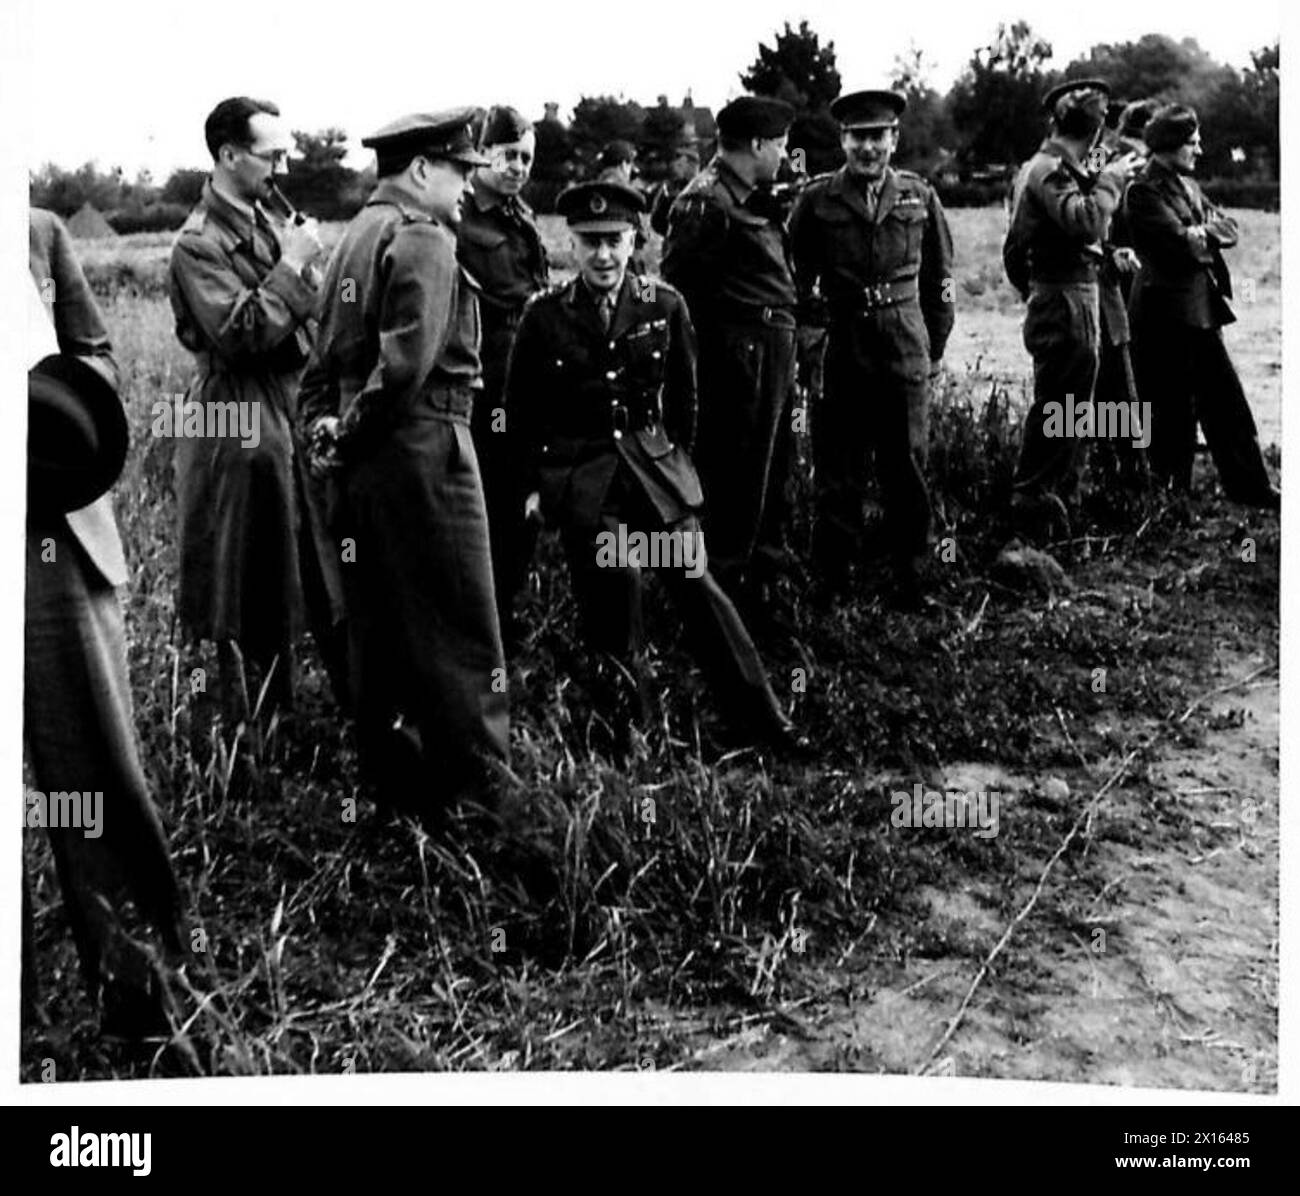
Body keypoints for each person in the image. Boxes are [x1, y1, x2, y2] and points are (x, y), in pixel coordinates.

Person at [505, 181, 802, 756]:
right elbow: (520, 415)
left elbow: (688, 403)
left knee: (698, 585)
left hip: (654, 480)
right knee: (617, 591)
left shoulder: (663, 305)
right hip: (587, 483)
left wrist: (678, 467)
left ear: (634, 240)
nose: (603, 256)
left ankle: (764, 723)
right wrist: (535, 490)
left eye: (614, 240)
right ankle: (633, 735)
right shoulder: (543, 317)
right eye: (589, 242)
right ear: (569, 243)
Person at [298, 110, 517, 823]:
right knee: (461, 622)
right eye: (459, 171)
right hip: (426, 448)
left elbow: (322, 368)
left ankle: (397, 791)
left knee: (381, 624)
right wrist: (354, 427)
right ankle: (482, 798)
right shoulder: (423, 235)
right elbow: (407, 367)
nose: (465, 188)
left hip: (367, 465)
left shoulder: (352, 237)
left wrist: (328, 435)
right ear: (422, 170)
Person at [25, 208, 185, 1039]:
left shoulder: (38, 231)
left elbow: (95, 350)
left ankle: (135, 984)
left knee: (89, 762)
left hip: (45, 522)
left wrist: (60, 406)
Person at [168, 97, 343, 752]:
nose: (282, 166)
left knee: (307, 560)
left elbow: (305, 309)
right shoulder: (196, 244)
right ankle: (244, 736)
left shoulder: (269, 218)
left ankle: (287, 725)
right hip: (237, 415)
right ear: (227, 155)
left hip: (286, 401)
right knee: (245, 574)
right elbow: (241, 333)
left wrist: (310, 273)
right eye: (272, 154)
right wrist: (294, 265)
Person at [789, 89, 955, 603]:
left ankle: (912, 576)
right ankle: (833, 581)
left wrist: (932, 346)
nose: (868, 149)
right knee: (838, 471)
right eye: (858, 138)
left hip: (903, 346)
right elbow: (795, 284)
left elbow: (940, 281)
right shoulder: (817, 200)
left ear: (894, 139)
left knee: (906, 465)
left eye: (877, 137)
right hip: (842, 349)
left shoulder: (918, 197)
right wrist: (812, 347)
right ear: (843, 140)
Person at [660, 95, 798, 604]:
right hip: (738, 363)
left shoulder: (749, 195)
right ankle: (723, 601)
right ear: (758, 144)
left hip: (769, 357)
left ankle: (760, 587)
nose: (785, 155)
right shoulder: (706, 202)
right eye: (781, 145)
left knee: (770, 478)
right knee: (738, 482)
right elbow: (680, 300)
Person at [1002, 79, 1143, 538]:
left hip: (1070, 295)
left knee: (1071, 406)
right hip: (1064, 299)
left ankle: (1052, 500)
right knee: (1059, 404)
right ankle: (1031, 500)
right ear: (1097, 130)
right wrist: (1114, 179)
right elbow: (1085, 222)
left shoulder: (1059, 166)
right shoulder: (1048, 170)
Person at [1124, 104, 1279, 509]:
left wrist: (1201, 233)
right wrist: (1199, 236)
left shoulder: (1187, 185)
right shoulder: (1142, 190)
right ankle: (1172, 496)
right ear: (1169, 145)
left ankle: (1250, 488)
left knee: (1226, 403)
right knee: (1171, 408)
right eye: (1192, 142)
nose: (1200, 149)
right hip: (1164, 315)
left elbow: (1228, 227)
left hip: (1198, 310)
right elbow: (1181, 244)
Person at [457, 106, 550, 651]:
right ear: (483, 154)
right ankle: (479, 620)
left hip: (526, 380)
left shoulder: (522, 218)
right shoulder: (458, 219)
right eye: (508, 155)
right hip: (480, 384)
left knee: (523, 504)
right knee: (482, 506)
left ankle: (503, 608)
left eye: (526, 159)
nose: (517, 168)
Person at [648, 141, 701, 237]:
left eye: (679, 162)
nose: (674, 164)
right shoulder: (669, 187)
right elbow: (657, 222)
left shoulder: (701, 190)